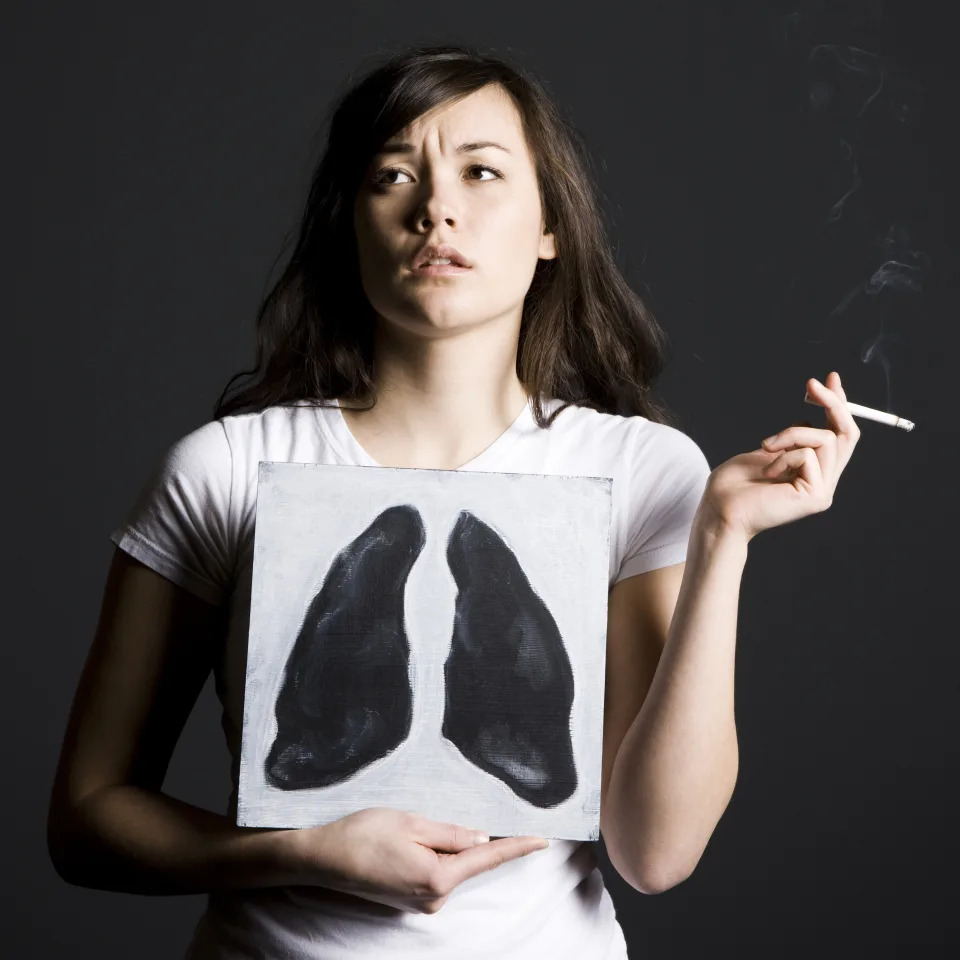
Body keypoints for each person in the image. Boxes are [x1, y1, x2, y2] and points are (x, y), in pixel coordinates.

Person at [47, 43, 860, 959]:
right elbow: (85, 821)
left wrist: (723, 540)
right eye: (393, 176)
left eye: (481, 172)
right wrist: (297, 853)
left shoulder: (638, 471)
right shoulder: (227, 470)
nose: (437, 208)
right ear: (350, 224)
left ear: (550, 227)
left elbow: (656, 853)